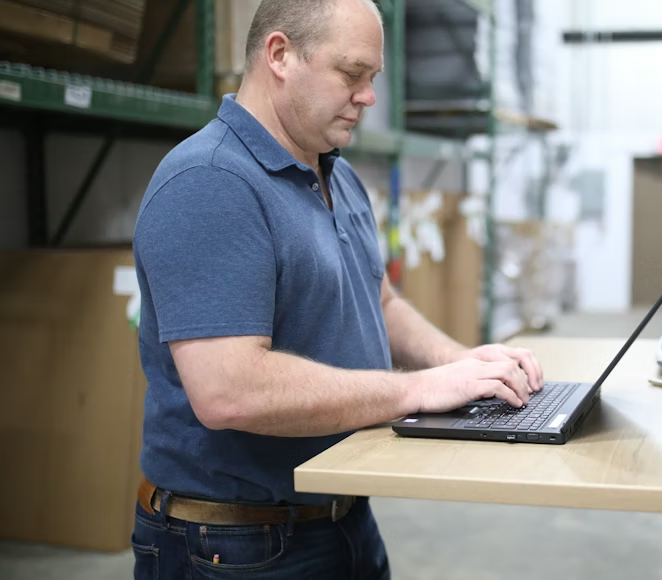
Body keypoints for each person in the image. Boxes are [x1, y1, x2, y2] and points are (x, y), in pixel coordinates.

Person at [128, 0, 543, 577]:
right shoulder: (212, 182)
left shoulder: (336, 174)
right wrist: (419, 390)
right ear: (280, 55)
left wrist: (465, 364)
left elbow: (378, 301)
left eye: (372, 79)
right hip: (237, 545)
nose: (369, 96)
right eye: (352, 74)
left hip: (340, 518)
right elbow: (230, 391)